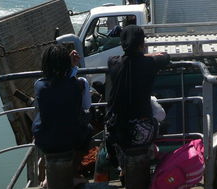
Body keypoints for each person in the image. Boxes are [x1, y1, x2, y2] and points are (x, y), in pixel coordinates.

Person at [105, 25, 170, 181]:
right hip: (143, 133)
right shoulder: (149, 63)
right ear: (142, 44)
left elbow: (120, 59)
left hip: (119, 132)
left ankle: (124, 170)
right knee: (161, 119)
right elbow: (166, 57)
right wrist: (148, 55)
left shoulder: (113, 62)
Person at [32, 44, 92, 187]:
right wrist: (71, 67)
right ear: (67, 64)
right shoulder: (78, 84)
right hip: (71, 139)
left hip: (45, 139)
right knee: (88, 129)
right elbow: (86, 106)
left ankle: (48, 177)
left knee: (44, 127)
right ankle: (74, 174)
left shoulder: (39, 86)